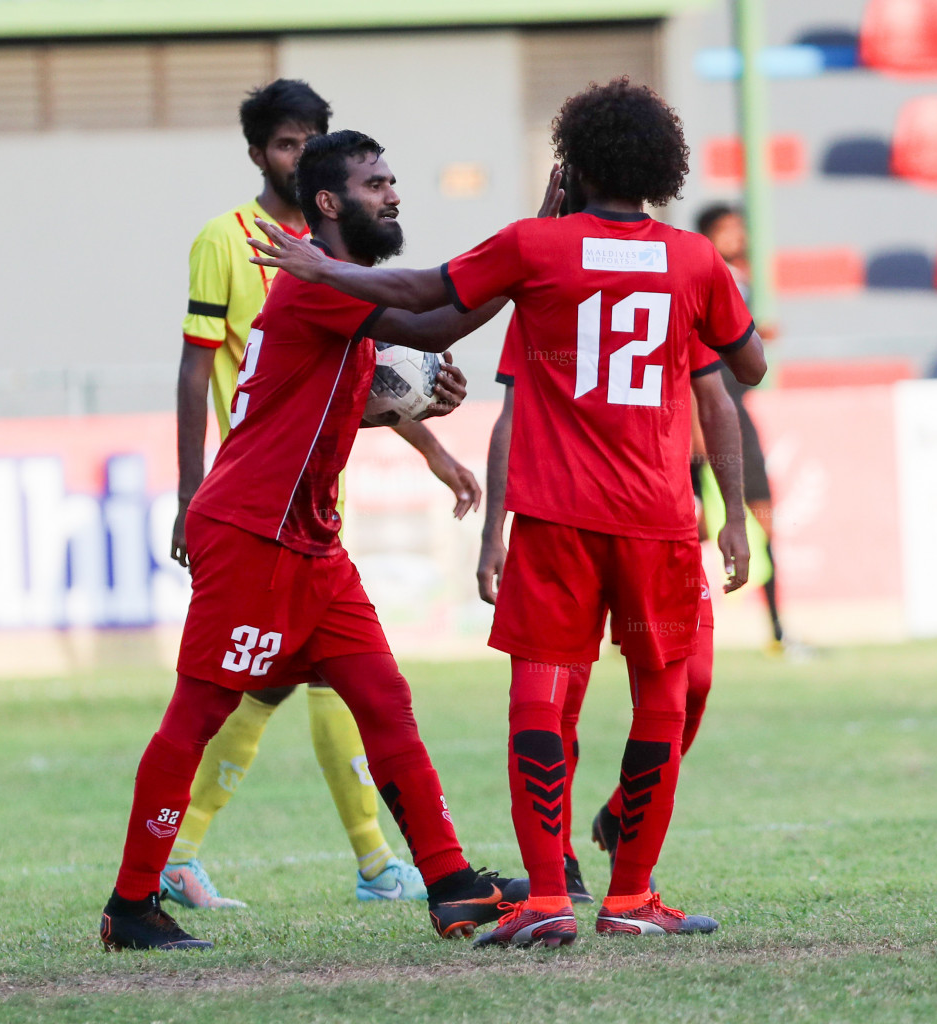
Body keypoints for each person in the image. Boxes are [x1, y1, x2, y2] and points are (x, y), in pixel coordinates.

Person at [246, 78, 767, 948]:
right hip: (657, 513)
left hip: (559, 515)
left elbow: (422, 295)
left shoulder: (536, 248)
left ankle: (549, 899)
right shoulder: (695, 261)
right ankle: (633, 898)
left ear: (574, 161)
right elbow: (744, 368)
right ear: (662, 168)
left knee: (539, 693)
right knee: (662, 704)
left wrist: (321, 265)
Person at [99, 129, 518, 951]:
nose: (394, 195)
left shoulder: (335, 288)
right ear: (329, 203)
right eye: (376, 183)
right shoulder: (316, 279)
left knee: (383, 701)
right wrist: (527, 258)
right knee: (200, 713)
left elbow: (333, 400)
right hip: (255, 532)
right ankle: (131, 905)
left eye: (395, 180)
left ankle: (450, 885)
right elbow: (436, 322)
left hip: (310, 537)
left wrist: (414, 415)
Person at [168, 79, 482, 910]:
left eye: (313, 139)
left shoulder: (338, 257)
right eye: (284, 144)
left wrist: (429, 438)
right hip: (252, 500)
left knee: (313, 685)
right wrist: (189, 489)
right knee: (265, 690)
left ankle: (394, 867)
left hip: (309, 492)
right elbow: (200, 367)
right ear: (260, 156)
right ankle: (375, 862)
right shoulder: (232, 244)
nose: (299, 154)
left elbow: (356, 376)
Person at [479, 323, 741, 906]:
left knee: (691, 685)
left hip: (658, 521)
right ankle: (560, 867)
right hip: (566, 521)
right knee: (557, 697)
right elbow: (512, 415)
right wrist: (493, 529)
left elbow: (731, 381)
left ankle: (622, 816)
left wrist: (734, 512)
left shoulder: (675, 277)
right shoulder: (544, 289)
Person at [694, 203, 787, 651]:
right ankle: (644, 628)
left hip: (734, 412)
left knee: (764, 515)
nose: (737, 236)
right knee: (686, 526)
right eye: (726, 229)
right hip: (703, 413)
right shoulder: (705, 277)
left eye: (739, 228)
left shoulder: (738, 279)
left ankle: (777, 630)